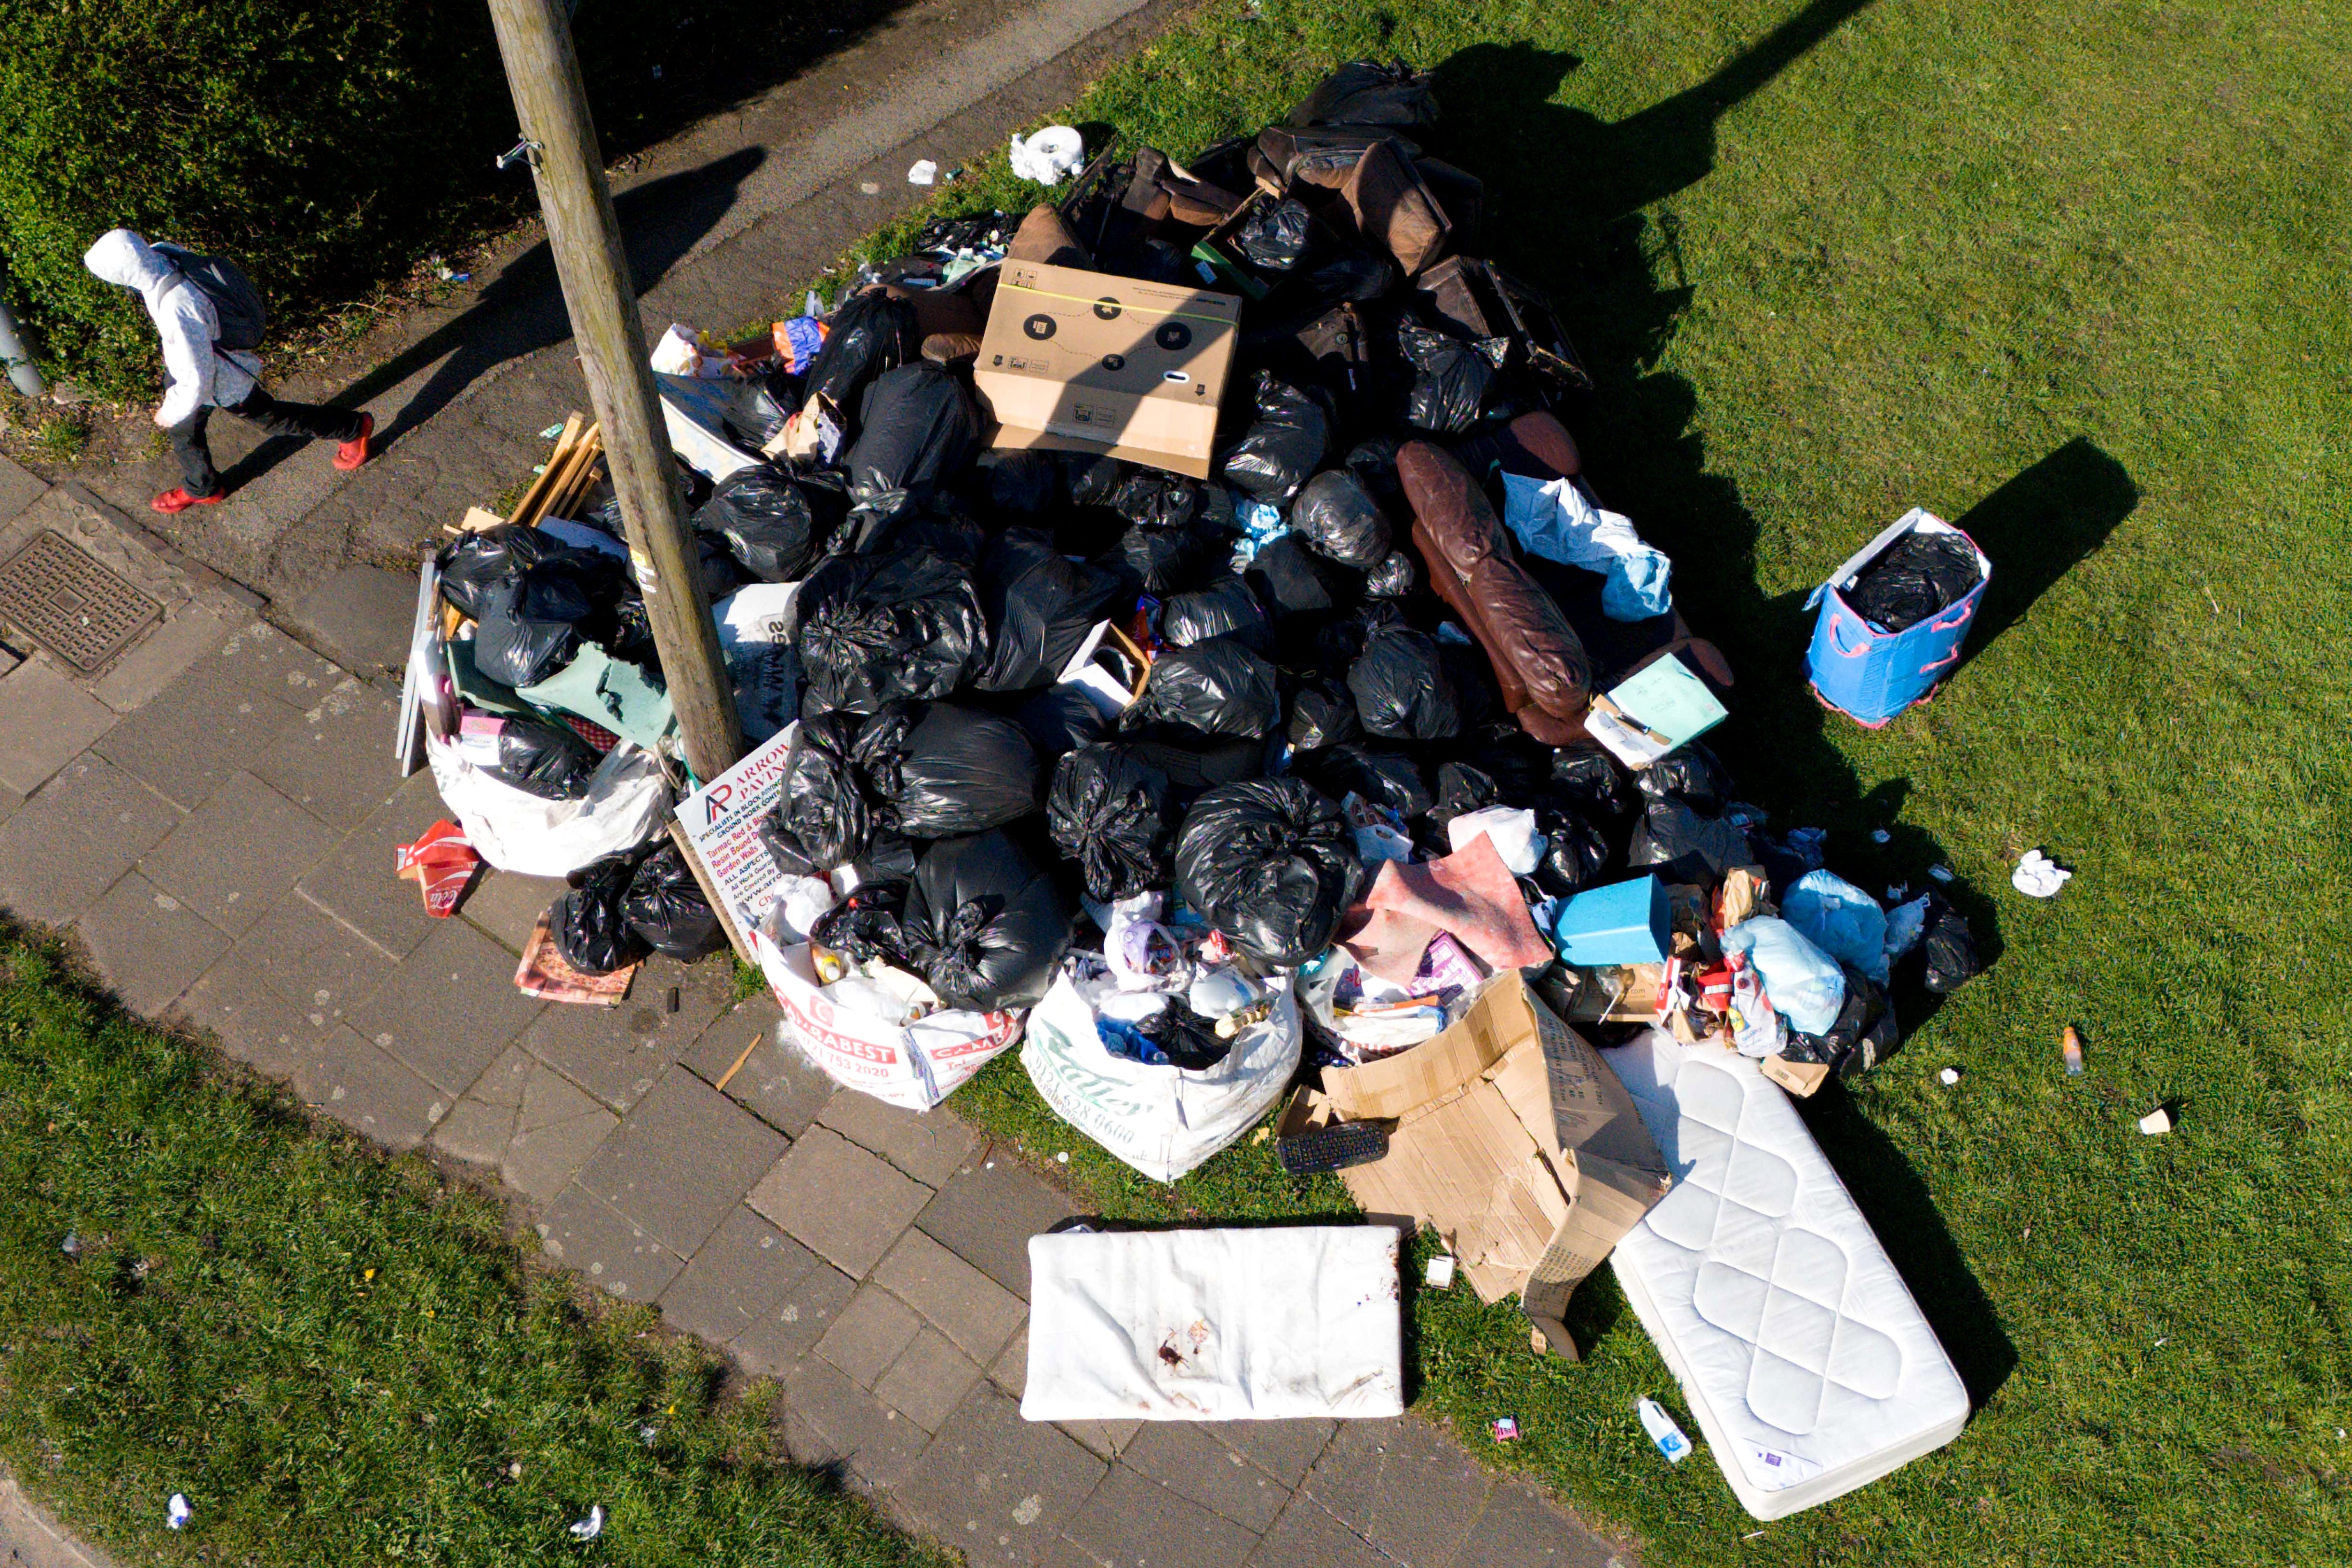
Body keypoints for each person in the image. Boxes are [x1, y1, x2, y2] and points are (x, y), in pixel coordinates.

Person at [80, 228, 373, 513]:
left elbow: (198, 378)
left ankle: (350, 428)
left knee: (271, 421)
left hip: (223, 377)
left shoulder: (177, 308)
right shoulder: (161, 252)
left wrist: (169, 411)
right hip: (190, 361)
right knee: (185, 431)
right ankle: (202, 488)